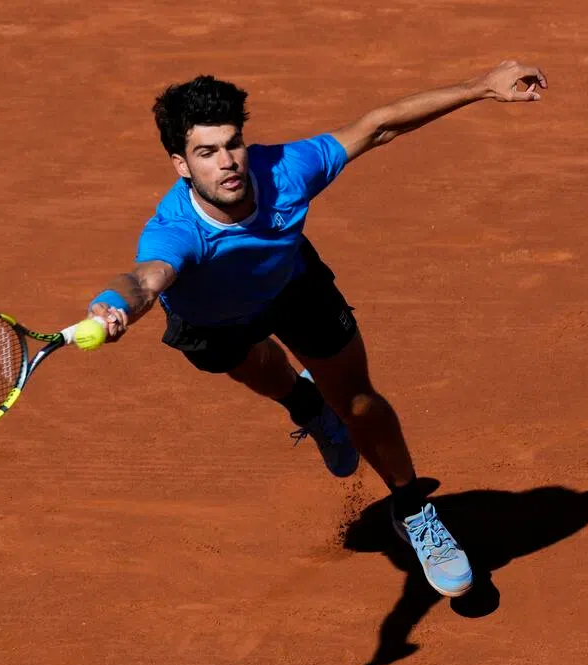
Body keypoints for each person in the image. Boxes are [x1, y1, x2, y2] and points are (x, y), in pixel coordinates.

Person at [84, 61, 548, 598]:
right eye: (206, 153)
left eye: (232, 144)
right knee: (264, 373)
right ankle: (307, 409)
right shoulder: (176, 232)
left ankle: (412, 509)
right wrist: (114, 304)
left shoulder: (285, 169)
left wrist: (480, 88)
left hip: (292, 287)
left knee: (357, 403)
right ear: (181, 165)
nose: (227, 163)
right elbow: (147, 278)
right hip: (211, 318)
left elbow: (378, 126)